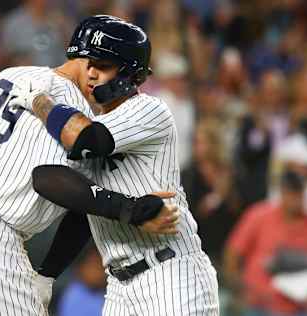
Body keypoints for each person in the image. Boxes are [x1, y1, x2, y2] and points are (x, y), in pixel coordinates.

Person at [0, 17, 179, 316]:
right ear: (95, 66)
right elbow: (48, 178)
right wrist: (129, 210)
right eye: (126, 77)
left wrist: (47, 272)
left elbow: (83, 204)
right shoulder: (71, 107)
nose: (128, 89)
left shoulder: (12, 74)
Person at [14, 15, 219, 315]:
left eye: (103, 65)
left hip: (172, 274)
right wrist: (48, 273)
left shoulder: (149, 109)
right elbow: (83, 207)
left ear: (130, 73)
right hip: (120, 285)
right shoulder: (97, 122)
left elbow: (85, 140)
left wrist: (40, 103)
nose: (92, 73)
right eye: (89, 64)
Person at [224, 170, 307, 316]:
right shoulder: (259, 215)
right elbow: (232, 253)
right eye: (290, 193)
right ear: (282, 192)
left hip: (299, 308)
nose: (294, 199)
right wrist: (240, 291)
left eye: (298, 193)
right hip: (258, 306)